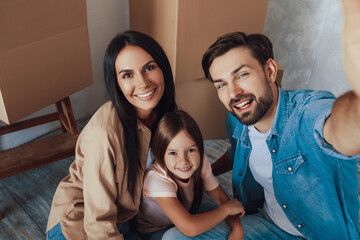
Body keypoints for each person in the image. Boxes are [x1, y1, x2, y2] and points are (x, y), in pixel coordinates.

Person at [164, 0, 360, 239]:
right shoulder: (237, 120)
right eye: (222, 84)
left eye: (242, 74)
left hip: (317, 234)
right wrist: (205, 173)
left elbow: (343, 129)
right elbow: (237, 154)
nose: (233, 93)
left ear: (269, 71)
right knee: (174, 237)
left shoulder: (306, 115)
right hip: (268, 224)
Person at [45, 30, 177, 240]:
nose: (143, 83)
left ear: (163, 68)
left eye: (149, 68)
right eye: (127, 74)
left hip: (126, 218)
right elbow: (98, 220)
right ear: (115, 82)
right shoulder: (103, 133)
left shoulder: (165, 115)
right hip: (79, 227)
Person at [136, 110, 245, 240]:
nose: (183, 161)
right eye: (172, 153)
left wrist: (238, 229)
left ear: (199, 147)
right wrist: (226, 210)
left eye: (191, 150)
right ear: (160, 154)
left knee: (218, 210)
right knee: (175, 237)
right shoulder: (156, 179)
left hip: (188, 213)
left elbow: (222, 200)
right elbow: (190, 228)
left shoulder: (201, 162)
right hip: (156, 230)